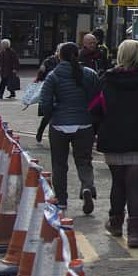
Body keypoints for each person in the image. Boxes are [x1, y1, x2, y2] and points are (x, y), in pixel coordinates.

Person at [88, 39, 138, 250]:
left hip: (112, 138)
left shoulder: (106, 80)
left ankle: (115, 223)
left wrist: (96, 133)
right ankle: (135, 234)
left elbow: (94, 109)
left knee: (117, 183)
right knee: (134, 185)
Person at [38, 42, 98, 216]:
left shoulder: (53, 75)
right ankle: (87, 187)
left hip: (59, 125)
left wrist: (53, 114)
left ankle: (62, 202)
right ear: (77, 56)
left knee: (59, 164)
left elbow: (45, 104)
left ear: (59, 56)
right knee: (84, 160)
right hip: (84, 124)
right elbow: (96, 99)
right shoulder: (89, 74)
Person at [34, 47, 60, 143]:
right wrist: (41, 71)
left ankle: (54, 137)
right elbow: (40, 77)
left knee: (56, 115)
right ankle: (40, 131)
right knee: (48, 115)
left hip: (60, 92)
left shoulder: (66, 61)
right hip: (49, 91)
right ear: (56, 52)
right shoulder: (48, 61)